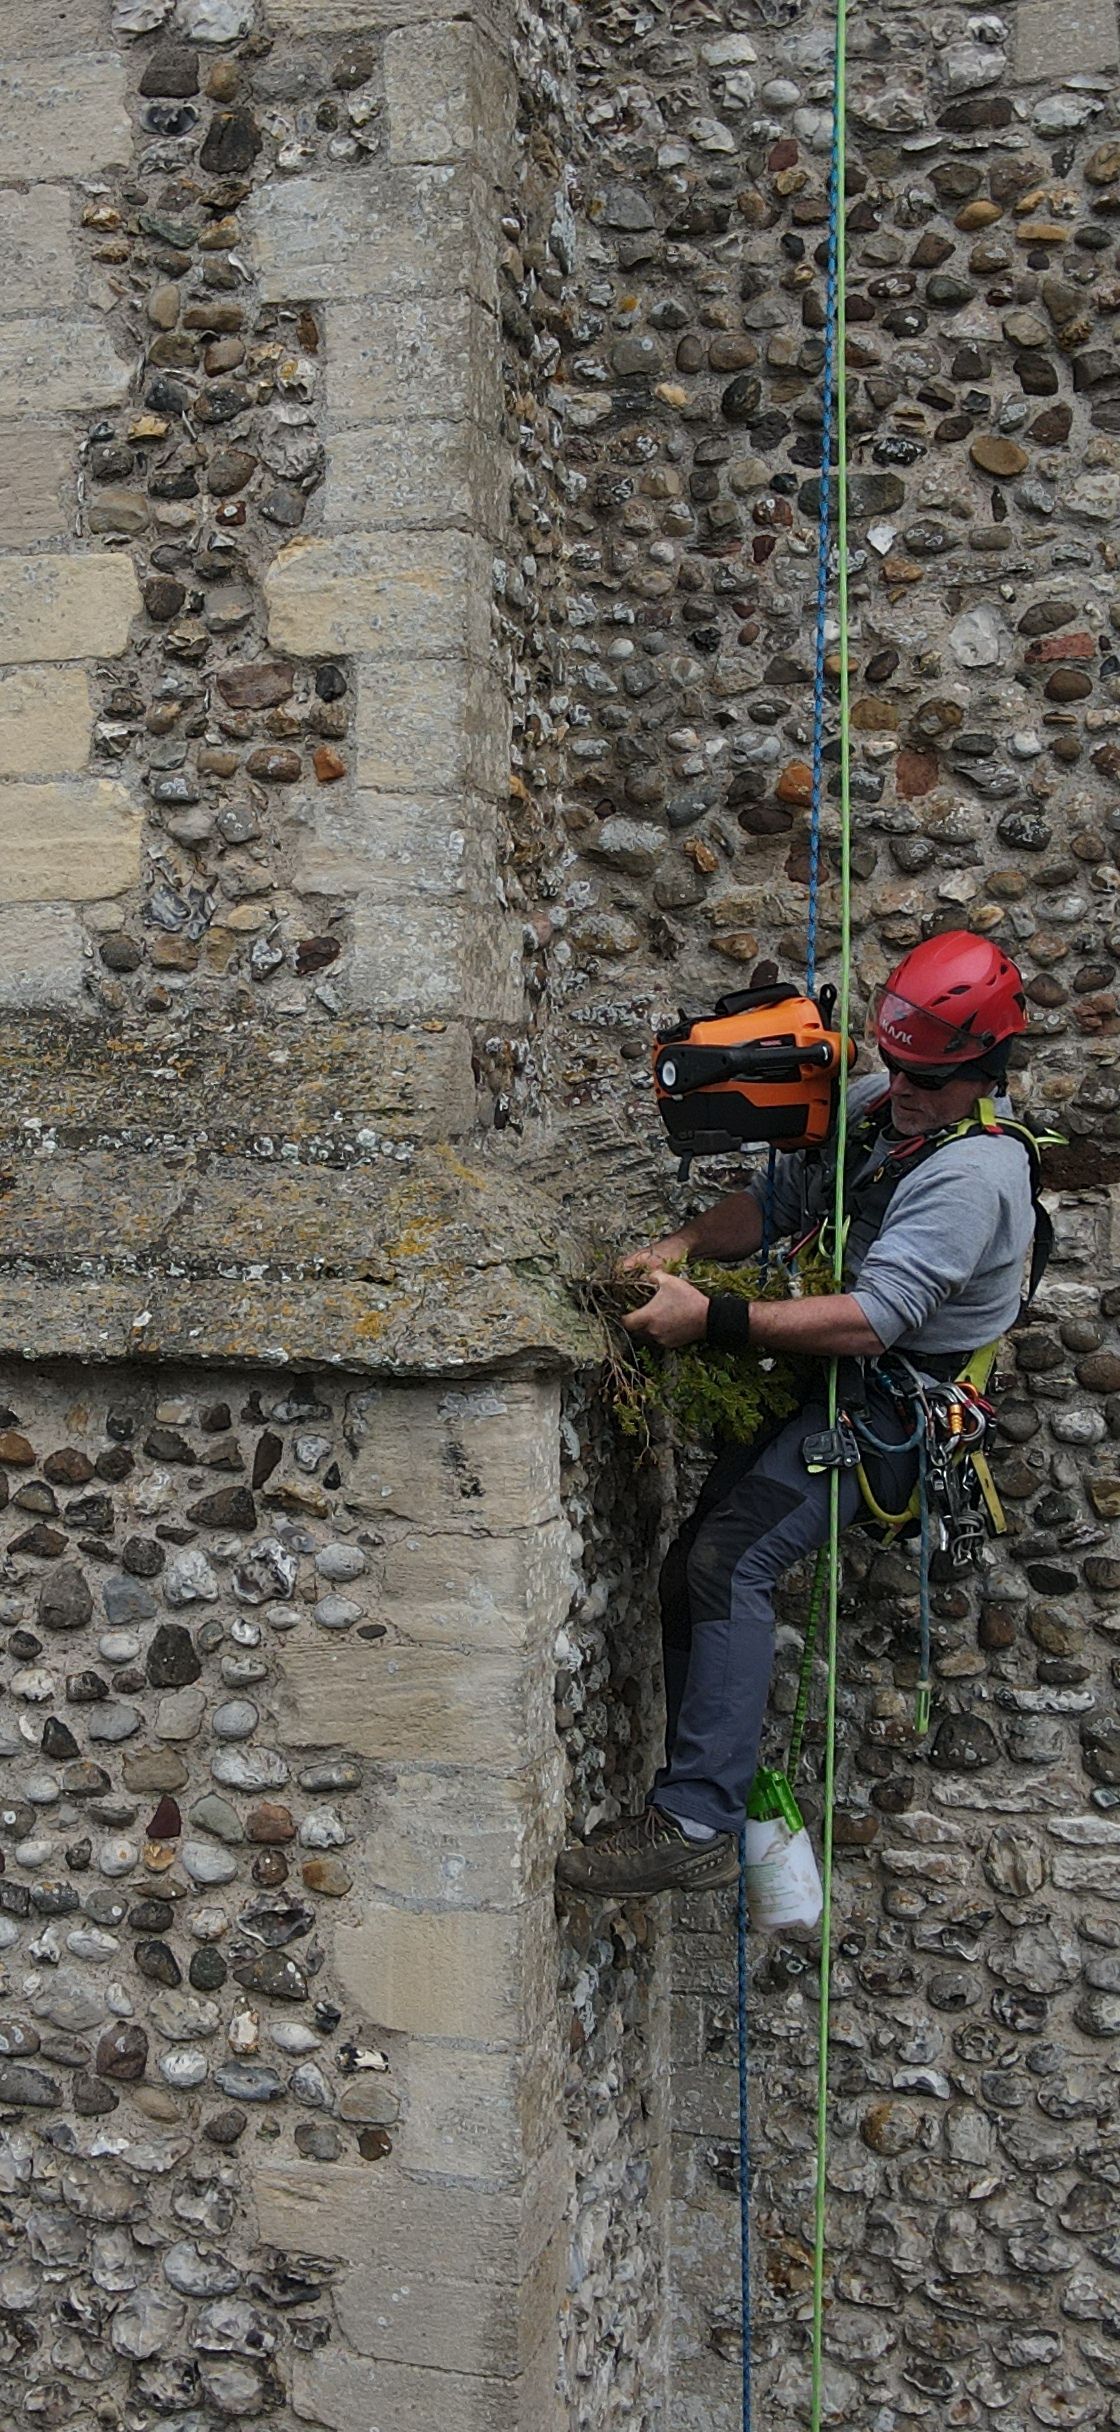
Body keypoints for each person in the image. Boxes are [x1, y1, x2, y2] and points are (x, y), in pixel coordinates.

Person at [557, 932, 1037, 1900]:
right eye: (895, 1064)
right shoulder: (874, 1113)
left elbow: (875, 1319)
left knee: (731, 1560)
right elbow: (773, 1203)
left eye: (928, 1079)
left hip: (892, 1408)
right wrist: (680, 1248)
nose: (904, 1089)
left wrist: (713, 1317)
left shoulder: (972, 1176)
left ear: (984, 1074)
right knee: (694, 1567)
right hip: (833, 1386)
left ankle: (696, 1821)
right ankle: (689, 1798)